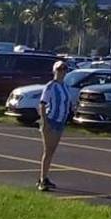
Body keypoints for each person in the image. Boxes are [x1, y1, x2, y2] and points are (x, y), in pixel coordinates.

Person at [36, 60, 71, 191]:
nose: (62, 72)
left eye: (64, 69)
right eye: (59, 69)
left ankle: (44, 176)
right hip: (51, 120)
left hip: (61, 121)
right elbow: (42, 104)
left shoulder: (65, 86)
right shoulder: (51, 86)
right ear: (54, 71)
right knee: (48, 151)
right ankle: (42, 180)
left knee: (52, 151)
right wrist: (44, 122)